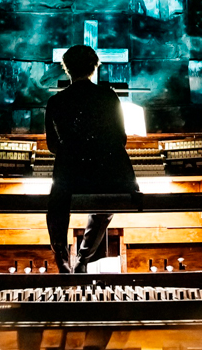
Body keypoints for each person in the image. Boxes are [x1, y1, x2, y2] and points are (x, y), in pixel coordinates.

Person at [45, 44, 140, 273]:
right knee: (106, 203)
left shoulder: (56, 102)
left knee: (57, 202)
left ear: (67, 69)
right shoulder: (108, 97)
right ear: (94, 68)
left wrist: (74, 154)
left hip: (69, 178)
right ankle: (84, 257)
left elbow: (52, 146)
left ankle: (60, 254)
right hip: (104, 174)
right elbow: (121, 139)